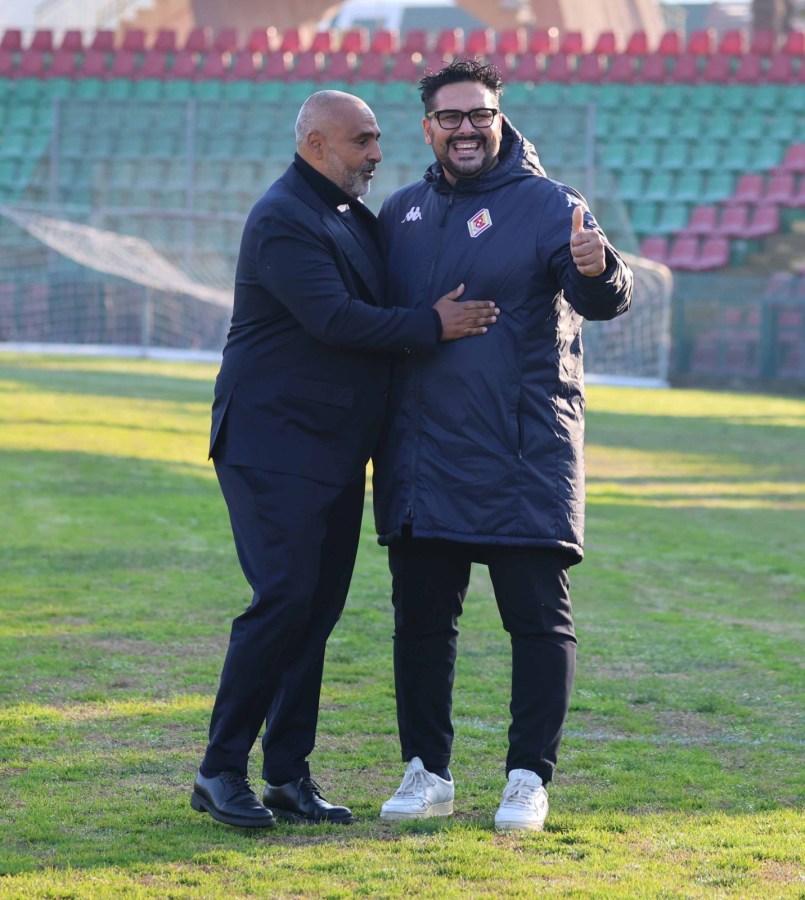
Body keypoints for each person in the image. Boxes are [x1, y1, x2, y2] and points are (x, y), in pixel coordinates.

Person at [190, 89, 499, 829]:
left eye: (376, 140)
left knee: (315, 611)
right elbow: (334, 319)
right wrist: (433, 323)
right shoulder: (282, 218)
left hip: (329, 449)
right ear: (317, 145)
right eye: (361, 141)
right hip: (271, 445)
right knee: (284, 600)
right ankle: (218, 770)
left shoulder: (345, 214)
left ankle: (287, 775)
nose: (375, 155)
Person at [373, 60, 633, 831]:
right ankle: (426, 771)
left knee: (537, 621)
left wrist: (600, 270)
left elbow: (599, 295)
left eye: (478, 114)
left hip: (523, 450)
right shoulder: (401, 213)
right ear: (428, 127)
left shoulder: (550, 205)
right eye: (449, 117)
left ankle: (527, 777)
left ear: (500, 118)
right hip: (421, 453)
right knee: (420, 622)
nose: (465, 128)